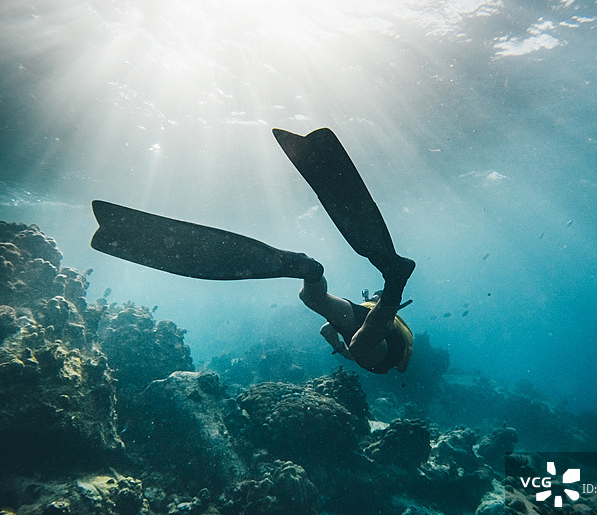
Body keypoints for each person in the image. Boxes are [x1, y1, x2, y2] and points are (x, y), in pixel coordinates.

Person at [91, 127, 415, 374]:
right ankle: (395, 279)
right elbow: (387, 351)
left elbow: (327, 328)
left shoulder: (372, 322)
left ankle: (308, 269)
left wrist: (338, 346)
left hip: (361, 318)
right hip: (381, 339)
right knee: (361, 350)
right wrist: (354, 348)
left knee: (312, 298)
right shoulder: (397, 355)